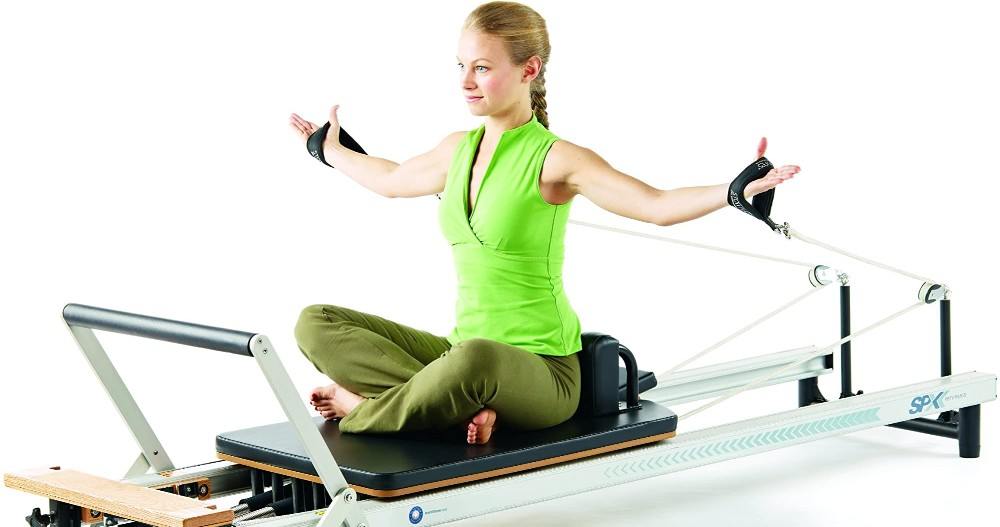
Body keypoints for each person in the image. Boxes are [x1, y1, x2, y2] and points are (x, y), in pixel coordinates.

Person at [287, 1, 800, 445]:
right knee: (316, 321)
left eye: (482, 68)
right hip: (462, 353)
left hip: (543, 372)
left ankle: (364, 412)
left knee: (475, 361)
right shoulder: (456, 150)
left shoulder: (555, 159)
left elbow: (655, 204)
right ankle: (454, 408)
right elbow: (390, 178)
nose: (465, 81)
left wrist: (734, 190)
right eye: (461, 65)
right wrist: (329, 149)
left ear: (529, 69)